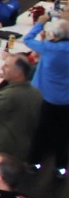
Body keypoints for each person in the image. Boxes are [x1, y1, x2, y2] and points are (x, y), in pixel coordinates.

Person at [26, 16, 69, 179]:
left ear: (56, 35)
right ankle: (61, 167)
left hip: (47, 98)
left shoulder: (48, 48)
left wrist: (40, 23)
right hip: (66, 100)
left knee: (41, 131)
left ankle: (35, 163)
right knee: (64, 135)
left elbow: (28, 39)